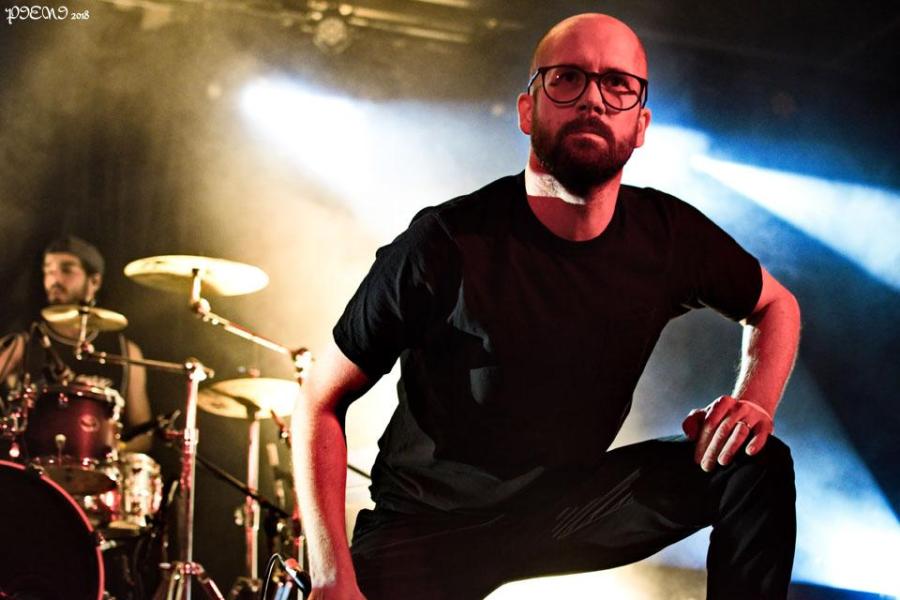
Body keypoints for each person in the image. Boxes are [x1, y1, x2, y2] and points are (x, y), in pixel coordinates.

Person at [291, 13, 801, 600]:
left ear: (640, 125)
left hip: (570, 507)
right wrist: (330, 575)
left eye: (618, 85)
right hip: (430, 525)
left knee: (753, 462)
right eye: (567, 78)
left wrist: (753, 403)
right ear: (527, 111)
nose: (593, 99)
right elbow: (319, 401)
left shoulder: (668, 237)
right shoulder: (445, 243)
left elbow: (776, 305)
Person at [0, 235, 153, 455]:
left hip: (99, 470)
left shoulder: (126, 352)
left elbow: (144, 435)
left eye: (66, 270)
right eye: (48, 271)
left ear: (94, 282)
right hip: (32, 469)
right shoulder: (24, 343)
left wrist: (115, 452)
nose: (54, 279)